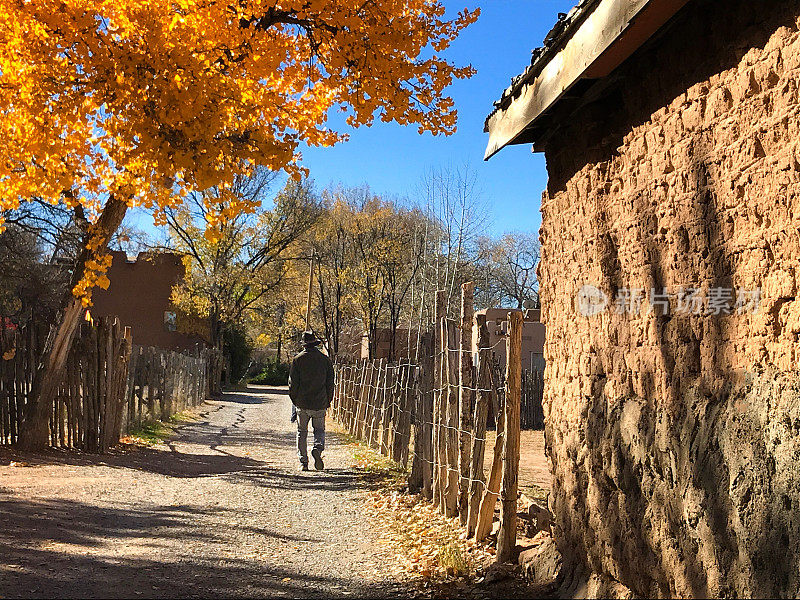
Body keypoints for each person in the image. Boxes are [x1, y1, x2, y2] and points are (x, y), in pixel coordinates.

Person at [288, 331, 334, 471]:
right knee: (319, 430)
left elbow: (292, 383)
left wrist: (294, 400)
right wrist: (328, 400)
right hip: (319, 402)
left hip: (302, 402)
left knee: (302, 432)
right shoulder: (325, 360)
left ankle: (304, 462)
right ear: (315, 343)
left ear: (304, 345)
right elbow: (330, 382)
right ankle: (318, 449)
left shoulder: (297, 360)